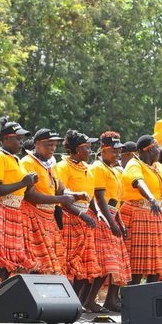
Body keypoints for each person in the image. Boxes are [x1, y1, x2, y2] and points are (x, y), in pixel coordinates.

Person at [0, 119, 38, 277]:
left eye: (22, 139)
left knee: (10, 259)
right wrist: (23, 182)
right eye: (17, 138)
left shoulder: (15, 159)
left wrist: (29, 183)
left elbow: (20, 188)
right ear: (5, 138)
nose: (21, 142)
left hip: (13, 211)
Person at [120, 135, 162, 284]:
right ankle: (132, 295)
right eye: (157, 147)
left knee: (158, 264)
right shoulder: (134, 164)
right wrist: (151, 198)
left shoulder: (158, 166)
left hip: (158, 216)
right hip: (139, 213)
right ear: (150, 150)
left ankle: (151, 294)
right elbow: (138, 182)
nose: (160, 150)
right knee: (138, 263)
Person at [55, 130, 99, 308]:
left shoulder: (87, 168)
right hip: (68, 219)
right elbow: (62, 197)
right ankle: (63, 303)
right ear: (76, 149)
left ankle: (75, 303)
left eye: (90, 147)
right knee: (67, 264)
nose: (90, 150)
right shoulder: (62, 167)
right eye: (86, 147)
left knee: (85, 266)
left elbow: (90, 196)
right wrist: (81, 214)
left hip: (84, 219)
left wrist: (95, 212)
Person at [20, 129, 72, 276]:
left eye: (55, 145)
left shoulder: (51, 164)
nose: (53, 148)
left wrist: (74, 195)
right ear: (37, 144)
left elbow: (59, 188)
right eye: (49, 144)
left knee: (52, 264)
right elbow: (29, 195)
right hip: (33, 216)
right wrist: (59, 199)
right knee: (37, 263)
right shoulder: (28, 162)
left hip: (49, 217)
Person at [89, 132, 131, 311]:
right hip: (102, 218)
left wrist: (119, 221)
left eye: (119, 151)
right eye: (113, 151)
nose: (117, 154)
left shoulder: (113, 169)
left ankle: (111, 300)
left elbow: (116, 200)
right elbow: (99, 198)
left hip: (113, 216)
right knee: (107, 263)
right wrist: (111, 222)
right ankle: (89, 300)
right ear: (102, 150)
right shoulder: (98, 167)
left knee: (118, 263)